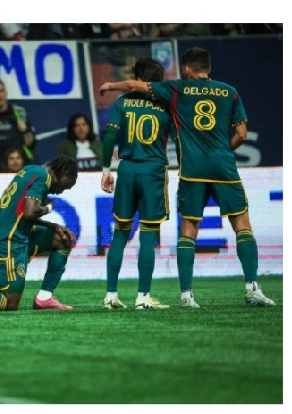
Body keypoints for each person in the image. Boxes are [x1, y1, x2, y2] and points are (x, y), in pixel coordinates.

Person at [99, 47, 276, 308]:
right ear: (209, 67)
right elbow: (241, 135)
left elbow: (129, 97)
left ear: (187, 69)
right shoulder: (229, 91)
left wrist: (111, 85)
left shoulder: (174, 91)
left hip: (177, 170)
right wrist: (222, 152)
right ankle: (251, 288)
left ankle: (184, 295)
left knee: (183, 230)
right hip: (214, 168)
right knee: (241, 225)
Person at [99, 58, 173, 310]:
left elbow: (110, 136)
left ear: (137, 78)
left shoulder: (122, 103)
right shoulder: (167, 105)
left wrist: (106, 170)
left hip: (127, 169)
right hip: (153, 170)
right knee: (148, 235)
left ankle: (111, 295)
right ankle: (143, 297)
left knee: (120, 232)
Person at [0, 155, 79, 311]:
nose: (61, 191)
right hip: (7, 241)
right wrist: (49, 208)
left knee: (63, 239)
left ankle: (44, 298)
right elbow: (30, 212)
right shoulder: (44, 178)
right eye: (65, 185)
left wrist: (53, 226)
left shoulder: (31, 169)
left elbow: (22, 213)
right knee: (10, 303)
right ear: (62, 173)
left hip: (19, 233)